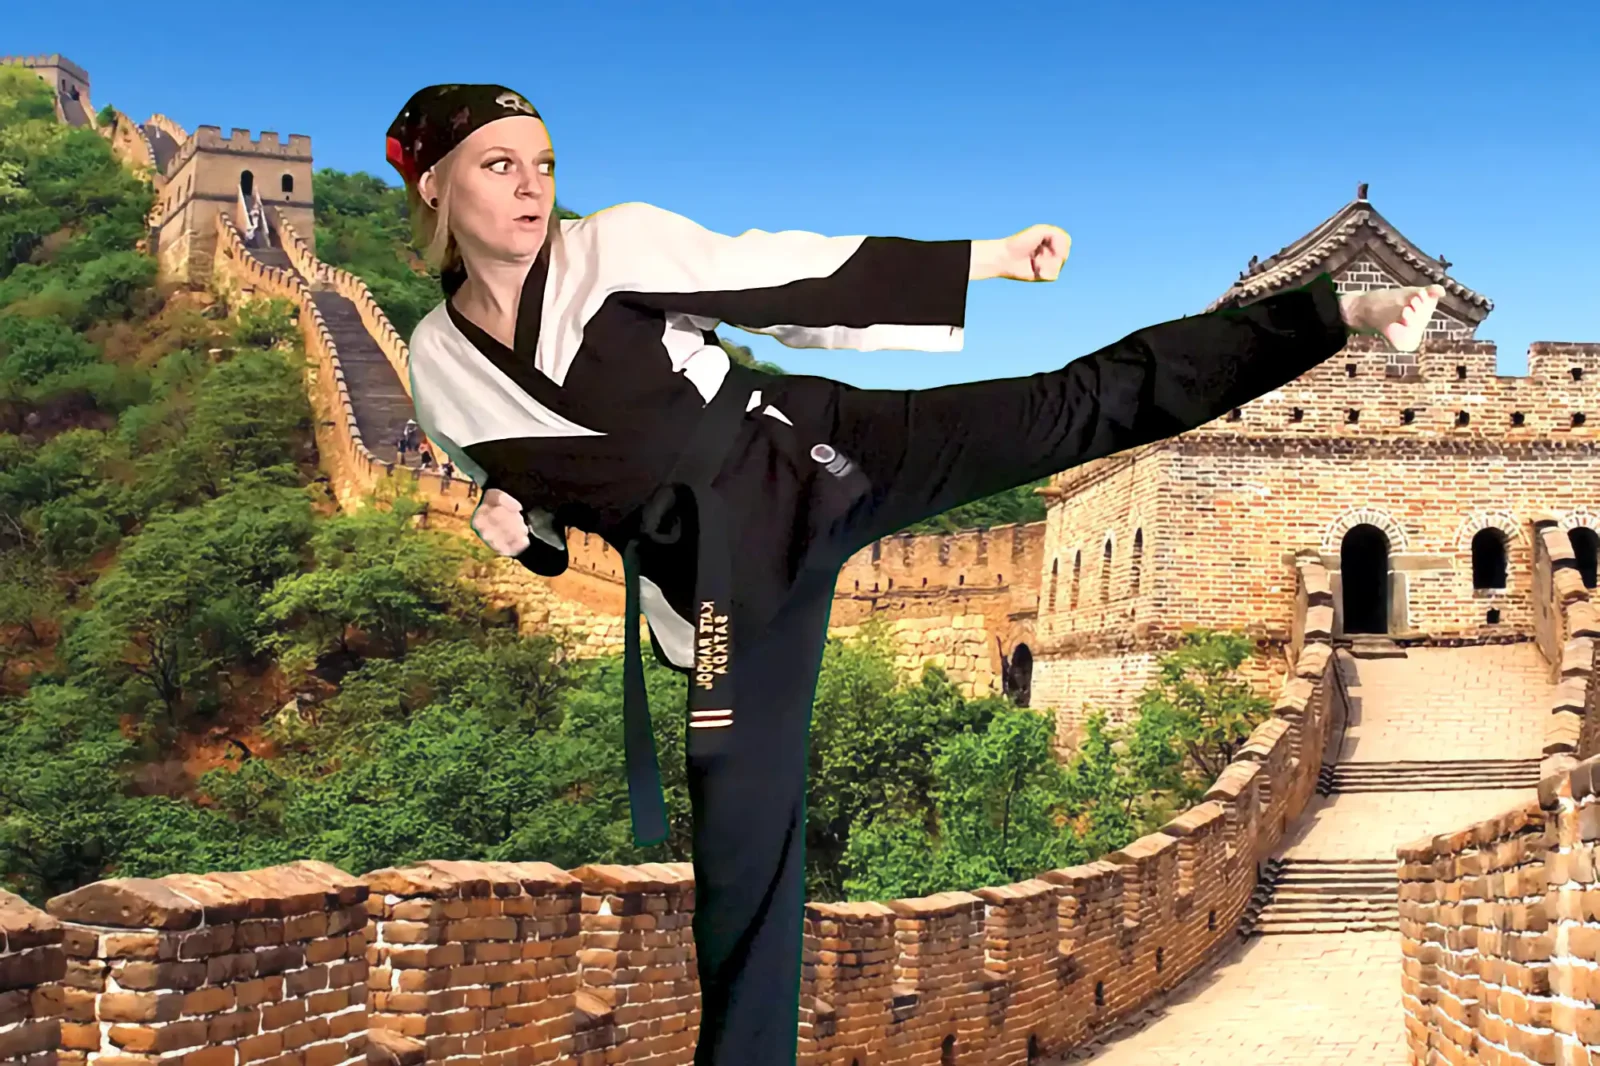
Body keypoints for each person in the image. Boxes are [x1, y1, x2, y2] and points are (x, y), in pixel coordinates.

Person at [385, 83, 1442, 1066]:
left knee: (1072, 406)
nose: (531, 186)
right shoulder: (440, 371)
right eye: (497, 165)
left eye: (542, 162)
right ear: (434, 186)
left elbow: (795, 277)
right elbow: (560, 518)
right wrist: (515, 534)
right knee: (740, 839)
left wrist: (985, 258)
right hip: (722, 580)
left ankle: (1333, 314)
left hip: (809, 454)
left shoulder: (608, 249)